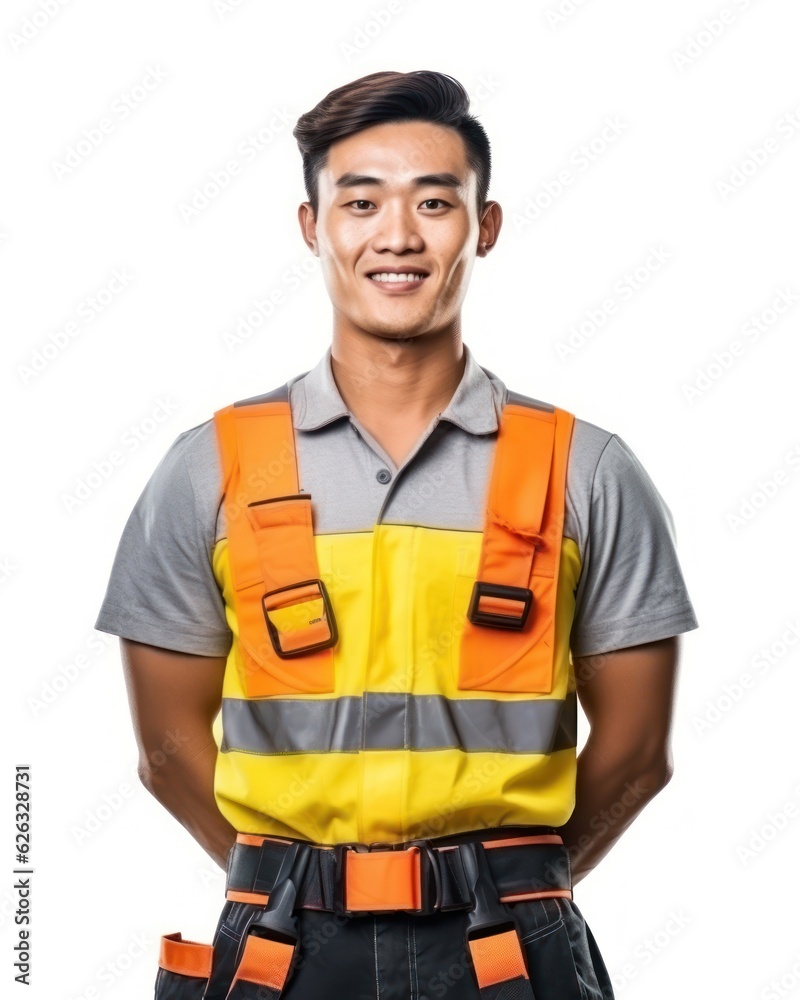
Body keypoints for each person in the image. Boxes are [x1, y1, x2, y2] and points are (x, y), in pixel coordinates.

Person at [94, 69, 699, 1000]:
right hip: (280, 950)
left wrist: (518, 887)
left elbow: (638, 751)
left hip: (509, 951)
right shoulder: (208, 468)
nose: (398, 236)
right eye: (361, 201)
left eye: (435, 202)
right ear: (314, 228)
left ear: (484, 227)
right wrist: (286, 883)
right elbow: (166, 746)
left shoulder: (587, 471)